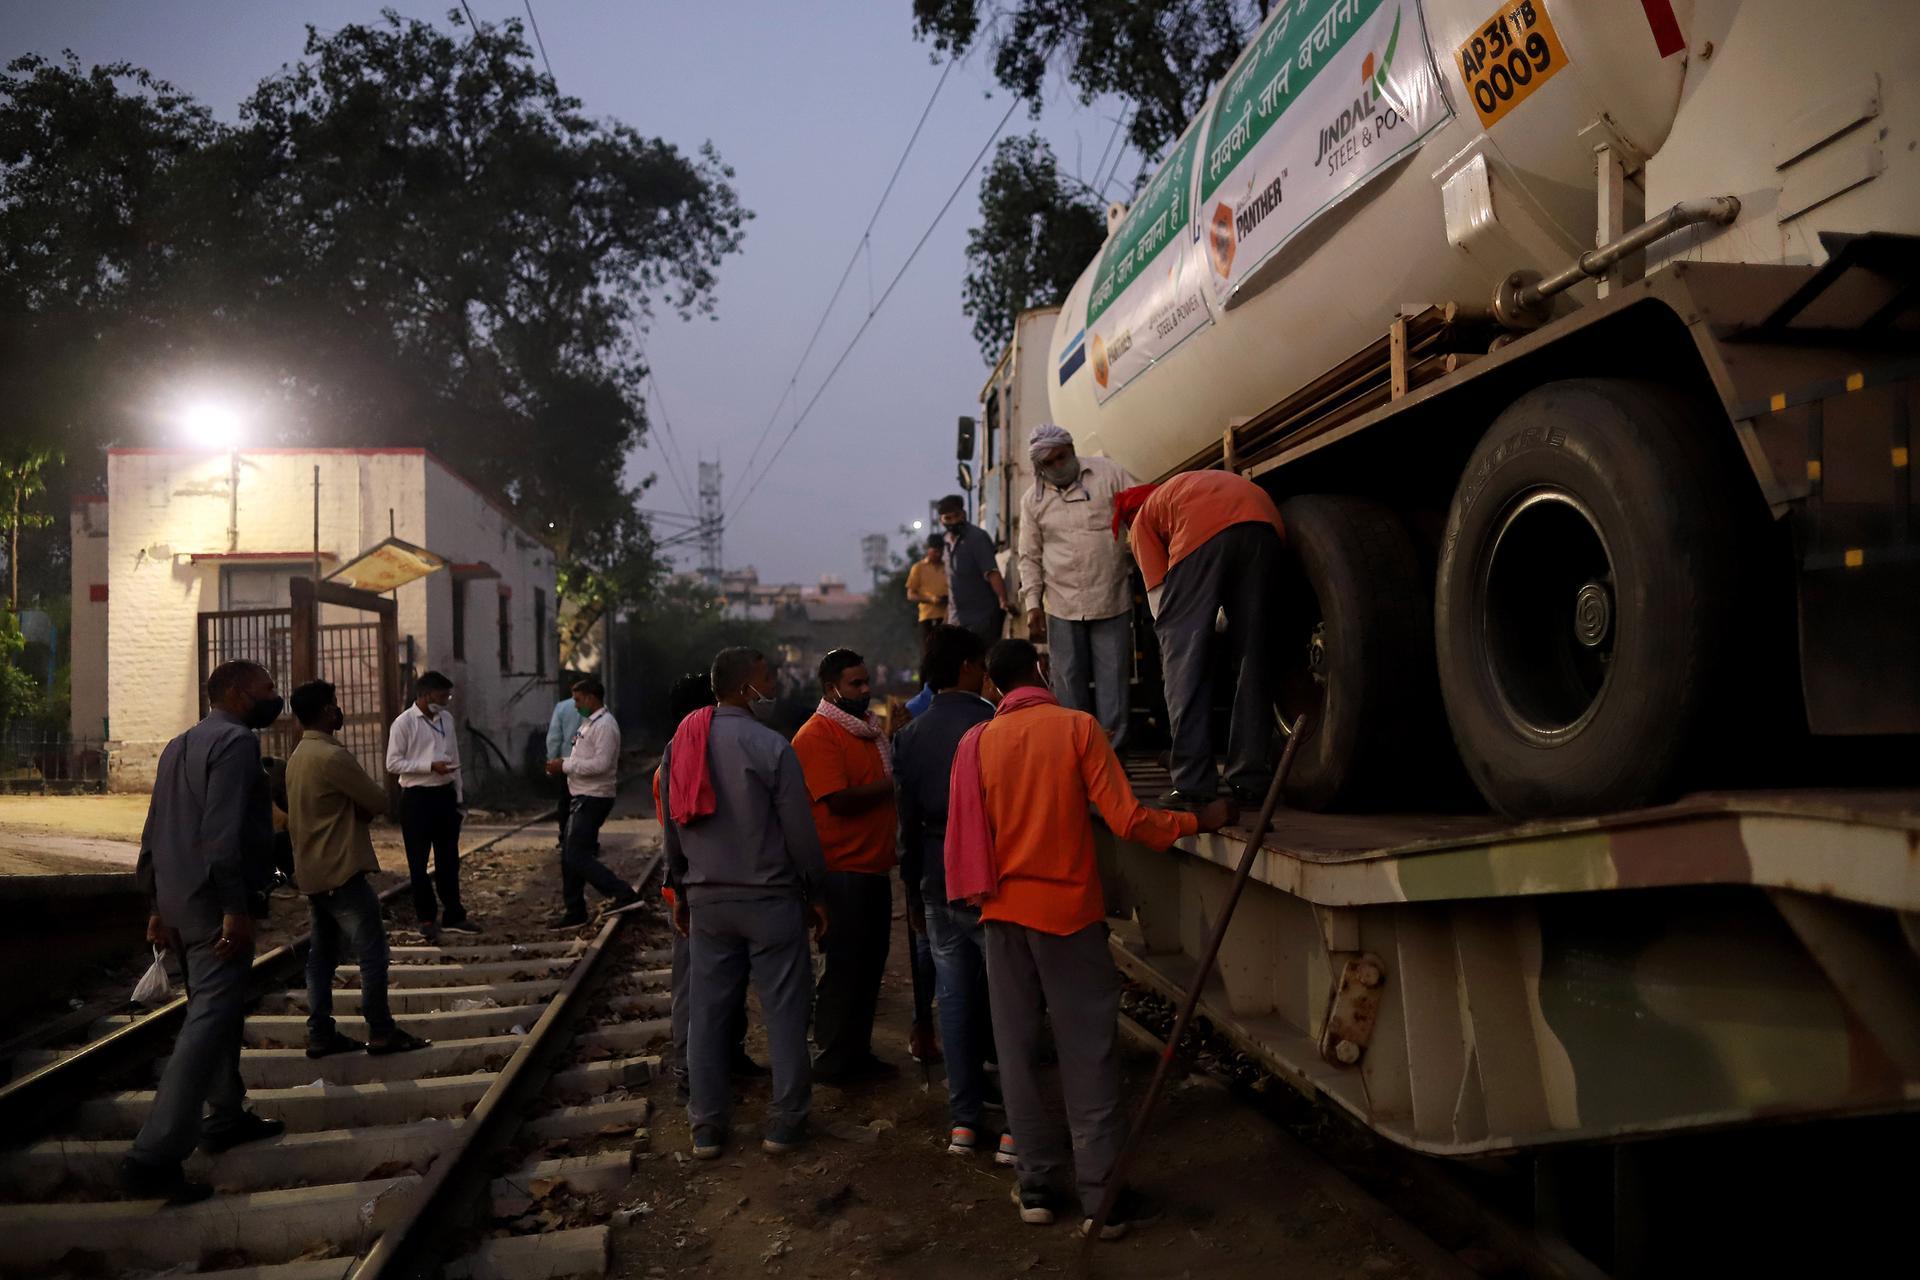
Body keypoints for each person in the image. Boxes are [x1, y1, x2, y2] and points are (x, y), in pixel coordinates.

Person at [947, 639, 1231, 1238]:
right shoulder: (1077, 728)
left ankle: (1037, 1187)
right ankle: (1103, 1200)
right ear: (1040, 671)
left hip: (1001, 919)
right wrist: (1195, 821)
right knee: (1088, 1054)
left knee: (1018, 1056)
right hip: (1068, 917)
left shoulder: (976, 743)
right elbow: (1127, 819)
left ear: (996, 687)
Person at [123, 660, 287, 1204]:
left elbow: (154, 828)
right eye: (267, 688)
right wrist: (235, 909)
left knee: (215, 1014)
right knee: (207, 1021)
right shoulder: (237, 744)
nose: (274, 696)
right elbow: (221, 836)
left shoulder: (179, 743)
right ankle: (154, 1155)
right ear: (239, 693)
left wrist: (154, 905)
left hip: (176, 901)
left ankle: (227, 1113)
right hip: (213, 906)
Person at [662, 647, 830, 1159]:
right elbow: (799, 832)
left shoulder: (682, 743)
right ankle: (785, 1122)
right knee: (783, 1012)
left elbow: (671, 823)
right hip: (770, 898)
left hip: (709, 900)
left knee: (708, 1014)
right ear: (742, 687)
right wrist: (816, 892)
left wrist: (680, 886)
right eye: (766, 677)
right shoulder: (771, 746)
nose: (774, 684)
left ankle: (707, 1126)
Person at [1115, 472, 1287, 806]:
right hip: (1265, 520)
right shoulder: (1182, 491)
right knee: (1254, 658)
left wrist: (1195, 634)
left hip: (1203, 529)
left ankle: (1193, 782)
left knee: (1183, 663)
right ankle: (1249, 779)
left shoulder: (1141, 523)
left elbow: (1159, 606)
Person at [893, 624, 1001, 1157]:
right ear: (965, 667)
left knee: (953, 1000)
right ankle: (1011, 1121)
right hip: (990, 879)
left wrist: (912, 893)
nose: (984, 672)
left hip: (936, 879)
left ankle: (963, 1120)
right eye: (980, 663)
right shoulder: (995, 725)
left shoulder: (910, 735)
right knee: (1006, 998)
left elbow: (904, 827)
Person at [286, 680, 429, 1059]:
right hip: (342, 870)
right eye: (333, 704)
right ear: (324, 711)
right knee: (372, 953)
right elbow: (379, 799)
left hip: (313, 874)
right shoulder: (332, 757)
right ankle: (381, 1030)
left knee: (321, 957)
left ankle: (320, 1032)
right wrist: (359, 810)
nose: (338, 710)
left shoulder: (298, 756)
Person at [792, 648, 899, 1083]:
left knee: (869, 969)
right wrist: (895, 783)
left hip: (873, 869)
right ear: (830, 688)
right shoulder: (817, 735)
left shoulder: (869, 732)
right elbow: (836, 799)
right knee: (842, 972)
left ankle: (857, 1053)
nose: (866, 689)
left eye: (866, 680)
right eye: (856, 683)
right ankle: (834, 1059)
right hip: (841, 873)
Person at [656, 671, 760, 1094]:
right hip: (692, 888)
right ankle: (686, 1070)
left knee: (729, 977)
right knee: (694, 985)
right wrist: (681, 886)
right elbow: (674, 836)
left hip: (708, 884)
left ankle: (729, 1055)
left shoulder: (696, 751)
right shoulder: (681, 756)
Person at [1018, 424, 1140, 751]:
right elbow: (1029, 555)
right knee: (1069, 686)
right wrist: (1032, 605)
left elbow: (1141, 512)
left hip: (1111, 596)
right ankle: (1077, 756)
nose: (1060, 465)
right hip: (1061, 604)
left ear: (1072, 450)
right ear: (1040, 467)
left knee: (1113, 683)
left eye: (1064, 456)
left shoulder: (1109, 474)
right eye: (1052, 462)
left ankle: (1111, 760)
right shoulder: (1033, 500)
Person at [544, 677, 643, 926]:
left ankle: (622, 894)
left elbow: (602, 765)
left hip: (594, 797)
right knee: (570, 854)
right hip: (581, 795)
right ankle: (574, 911)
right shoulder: (590, 723)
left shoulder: (605, 726)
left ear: (591, 697)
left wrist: (564, 765)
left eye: (578, 700)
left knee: (576, 854)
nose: (575, 706)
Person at [385, 670, 474, 939]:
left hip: (444, 796)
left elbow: (453, 756)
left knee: (449, 859)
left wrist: (458, 797)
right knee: (418, 863)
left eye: (448, 694)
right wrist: (427, 767)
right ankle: (425, 918)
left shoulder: (446, 718)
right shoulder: (404, 723)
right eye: (442, 695)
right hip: (417, 799)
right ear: (425, 695)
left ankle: (453, 914)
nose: (446, 699)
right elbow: (393, 763)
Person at [937, 494, 1011, 646]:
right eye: (948, 518)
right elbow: (953, 585)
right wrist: (946, 620)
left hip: (981, 618)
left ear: (963, 514)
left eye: (956, 516)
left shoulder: (976, 538)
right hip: (957, 620)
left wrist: (1003, 600)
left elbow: (992, 572)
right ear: (941, 520)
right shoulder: (946, 543)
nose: (953, 521)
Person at [545, 690, 585, 851]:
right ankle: (586, 841)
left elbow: (554, 737)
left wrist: (551, 760)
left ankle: (564, 838)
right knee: (586, 804)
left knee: (565, 801)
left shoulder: (562, 707)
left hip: (565, 761)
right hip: (587, 762)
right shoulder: (598, 708)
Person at [905, 535, 950, 644]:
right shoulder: (918, 568)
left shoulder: (948, 567)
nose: (938, 554)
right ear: (928, 549)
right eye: (935, 551)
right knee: (929, 649)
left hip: (948, 616)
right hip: (927, 617)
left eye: (940, 551)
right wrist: (931, 599)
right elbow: (911, 594)